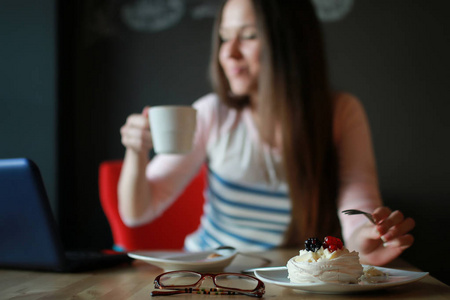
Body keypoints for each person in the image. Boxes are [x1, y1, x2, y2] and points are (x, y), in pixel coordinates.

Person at [118, 0, 415, 266]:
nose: (228, 53)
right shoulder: (212, 113)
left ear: (291, 41)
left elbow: (357, 202)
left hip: (291, 273)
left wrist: (365, 237)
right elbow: (137, 211)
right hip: (211, 271)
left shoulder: (340, 112)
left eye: (248, 36)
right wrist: (136, 151)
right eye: (224, 37)